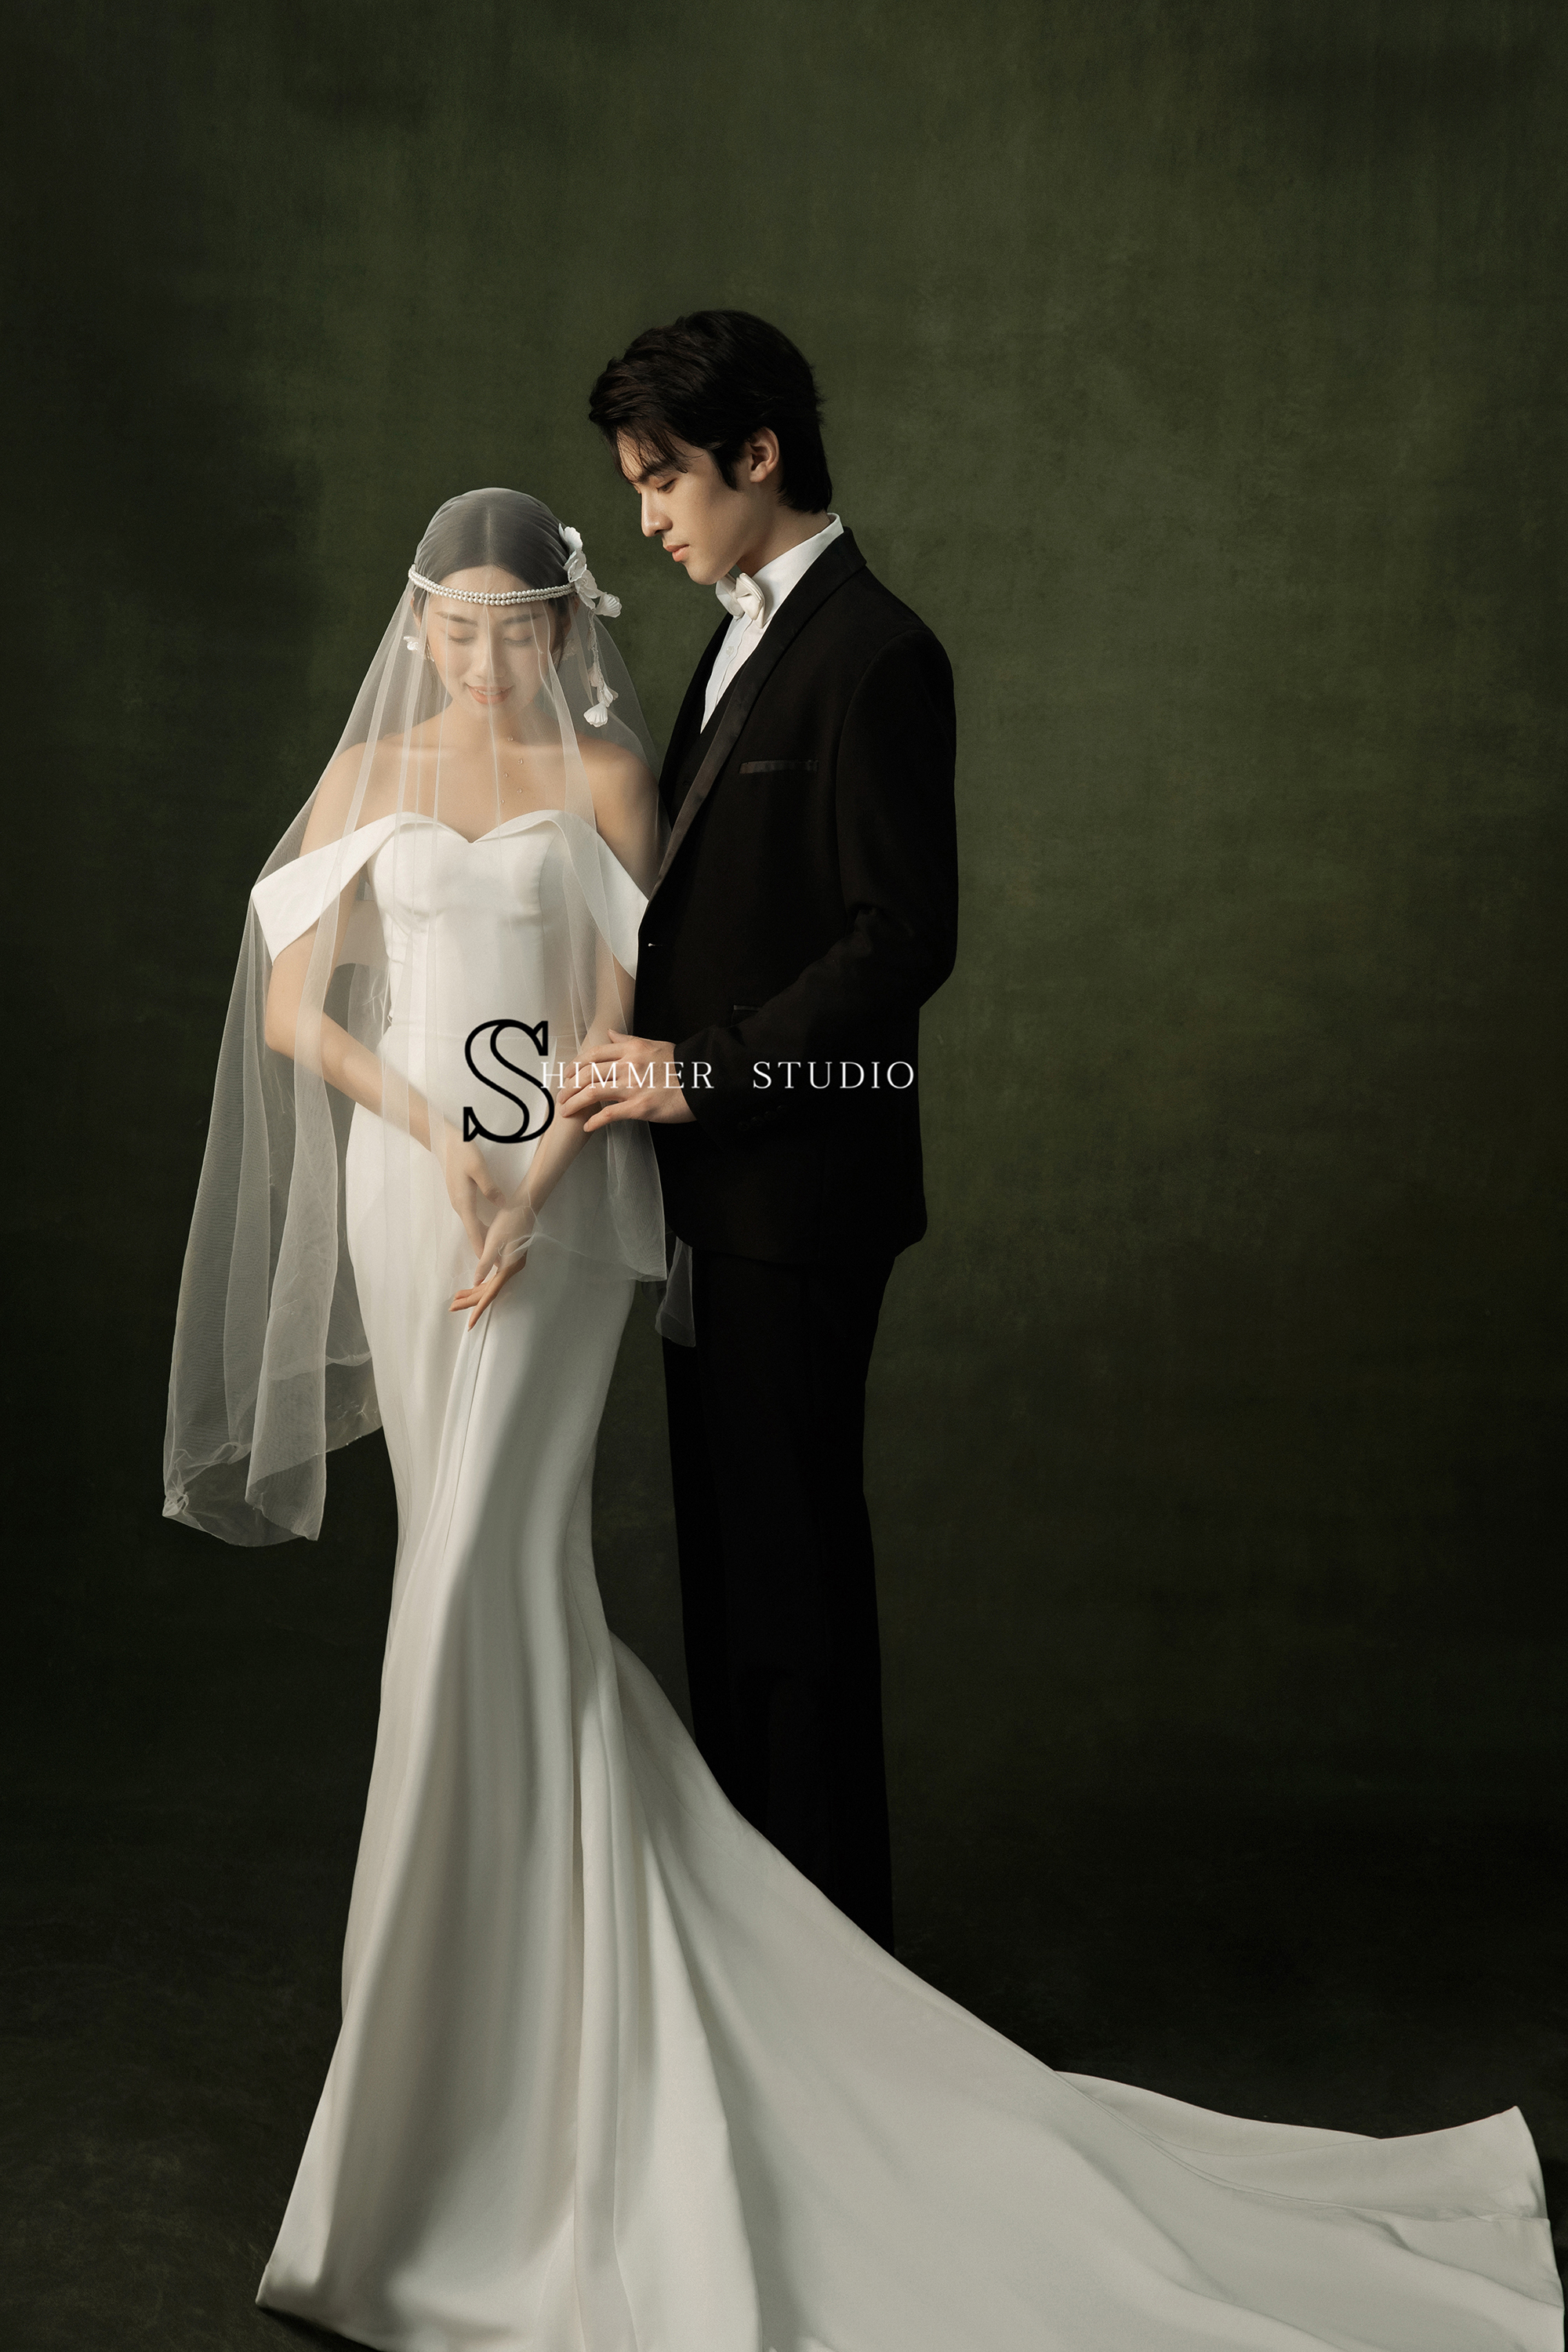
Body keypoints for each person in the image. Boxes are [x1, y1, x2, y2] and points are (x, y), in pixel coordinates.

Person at [162, 486, 1561, 2350]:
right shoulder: (371, 773)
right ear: (418, 628)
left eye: (518, 626)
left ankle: (445, 2077)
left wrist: (537, 1170)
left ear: (564, 629)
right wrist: (439, 1146)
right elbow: (292, 1011)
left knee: (489, 1565)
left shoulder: (609, 780)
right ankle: (474, 2033)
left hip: (564, 1204)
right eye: (458, 627)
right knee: (457, 1570)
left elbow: (625, 1010)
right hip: (413, 1195)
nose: (486, 657)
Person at [564, 308, 957, 1952]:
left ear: (759, 454)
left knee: (790, 1593)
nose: (649, 517)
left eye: (663, 480)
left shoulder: (876, 651)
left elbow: (899, 939)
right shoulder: (734, 639)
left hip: (800, 1192)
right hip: (710, 1198)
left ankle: (836, 1976)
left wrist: (701, 1076)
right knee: (728, 1583)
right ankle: (761, 1969)